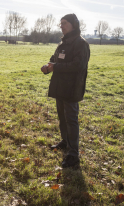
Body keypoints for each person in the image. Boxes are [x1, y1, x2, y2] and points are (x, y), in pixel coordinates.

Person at [41, 13, 90, 169]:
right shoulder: (63, 43)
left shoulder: (81, 44)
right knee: (62, 117)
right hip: (60, 86)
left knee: (71, 120)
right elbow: (55, 58)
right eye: (60, 23)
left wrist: (56, 67)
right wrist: (48, 67)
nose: (61, 26)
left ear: (74, 25)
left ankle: (74, 154)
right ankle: (65, 141)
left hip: (71, 88)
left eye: (64, 23)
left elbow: (78, 65)